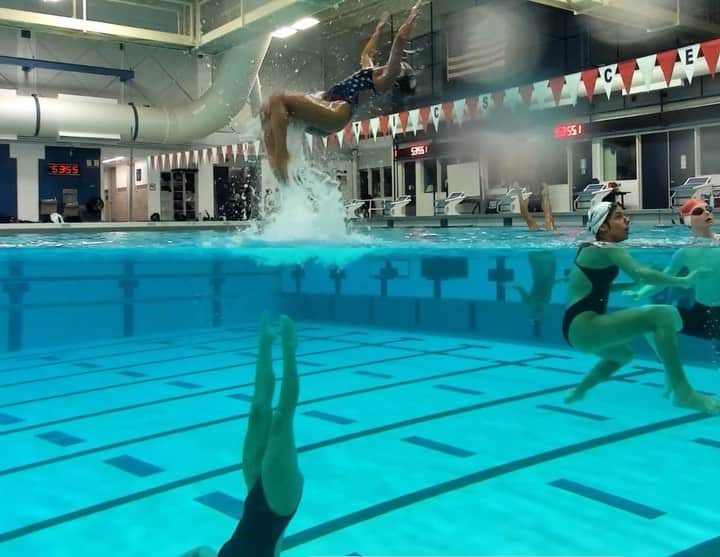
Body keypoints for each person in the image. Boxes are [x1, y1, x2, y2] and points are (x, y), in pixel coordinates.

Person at [561, 201, 720, 414]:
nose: (626, 219)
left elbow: (597, 288)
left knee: (623, 356)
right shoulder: (607, 247)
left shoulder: (589, 250)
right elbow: (641, 272)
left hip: (575, 328)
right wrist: (682, 281)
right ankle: (684, 393)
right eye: (618, 216)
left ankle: (580, 390)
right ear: (604, 227)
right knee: (661, 316)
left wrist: (633, 287)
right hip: (585, 326)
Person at [260, 0, 422, 184]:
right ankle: (281, 175)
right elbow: (366, 54)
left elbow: (400, 40)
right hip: (326, 105)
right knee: (266, 110)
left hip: (337, 113)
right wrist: (379, 29)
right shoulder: (369, 72)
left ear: (399, 74)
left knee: (278, 100)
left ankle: (282, 155)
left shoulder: (383, 80)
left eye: (403, 66)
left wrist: (413, 15)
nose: (402, 63)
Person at [183, 314, 303, 557]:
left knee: (258, 411)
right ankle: (289, 348)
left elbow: (200, 551)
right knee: (281, 420)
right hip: (279, 504)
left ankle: (266, 342)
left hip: (255, 501)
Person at [625, 197, 720, 374]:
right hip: (701, 313)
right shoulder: (683, 252)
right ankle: (669, 366)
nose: (707, 212)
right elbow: (666, 277)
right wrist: (640, 293)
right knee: (647, 318)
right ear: (687, 220)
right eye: (699, 211)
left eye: (708, 209)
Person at [512, 183, 562, 336]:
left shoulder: (532, 302)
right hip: (546, 258)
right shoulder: (543, 301)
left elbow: (523, 288)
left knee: (536, 218)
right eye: (538, 315)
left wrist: (511, 286)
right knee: (548, 217)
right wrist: (563, 280)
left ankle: (534, 193)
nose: (536, 312)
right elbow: (550, 283)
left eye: (534, 315)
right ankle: (544, 193)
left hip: (541, 259)